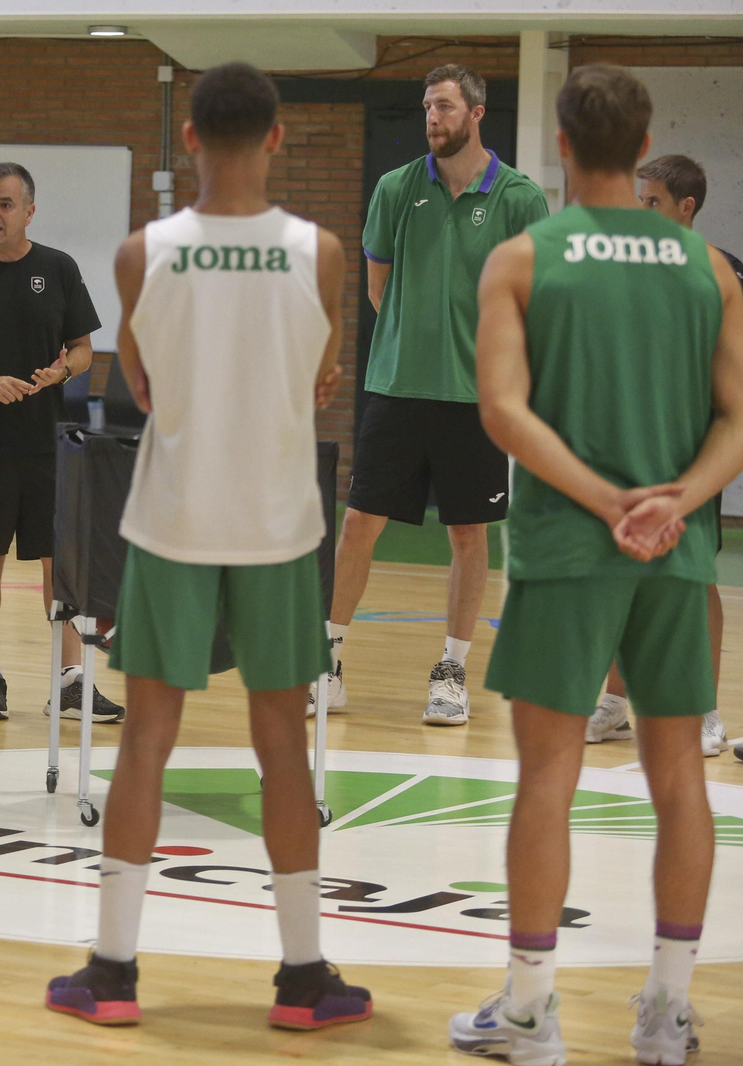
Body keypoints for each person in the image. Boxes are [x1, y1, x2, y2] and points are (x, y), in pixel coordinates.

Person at [44, 61, 370, 1032]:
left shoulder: (140, 253)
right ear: (276, 137)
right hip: (278, 525)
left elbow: (140, 385)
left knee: (146, 740)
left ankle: (111, 970)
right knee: (282, 749)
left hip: (175, 519)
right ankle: (304, 977)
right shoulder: (321, 252)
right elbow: (322, 377)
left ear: (188, 137)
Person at [449, 65, 743, 1066]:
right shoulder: (709, 268)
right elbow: (737, 417)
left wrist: (605, 499)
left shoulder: (524, 257)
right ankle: (666, 1013)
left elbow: (501, 410)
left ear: (563, 146)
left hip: (567, 552)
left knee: (547, 779)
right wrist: (674, 501)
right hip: (675, 554)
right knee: (679, 781)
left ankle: (531, 1014)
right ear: (643, 142)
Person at [328, 63, 550, 726]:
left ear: (476, 113)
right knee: (358, 524)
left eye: (445, 106)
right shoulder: (396, 188)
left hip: (477, 397)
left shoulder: (519, 197)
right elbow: (378, 286)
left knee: (467, 533)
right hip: (396, 388)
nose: (432, 117)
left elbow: (532, 300)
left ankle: (451, 672)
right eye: (428, 106)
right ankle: (327, 661)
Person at [0, 163, 122, 723]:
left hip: (47, 443)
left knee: (60, 562)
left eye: (5, 204)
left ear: (29, 212)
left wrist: (63, 371)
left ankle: (71, 680)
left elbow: (83, 349)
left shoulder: (58, 268)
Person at [583, 153, 741, 758]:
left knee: (693, 577)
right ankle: (616, 705)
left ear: (686, 207)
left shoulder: (722, 274)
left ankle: (704, 710)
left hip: (692, 449)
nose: (640, 210)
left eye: (651, 201)